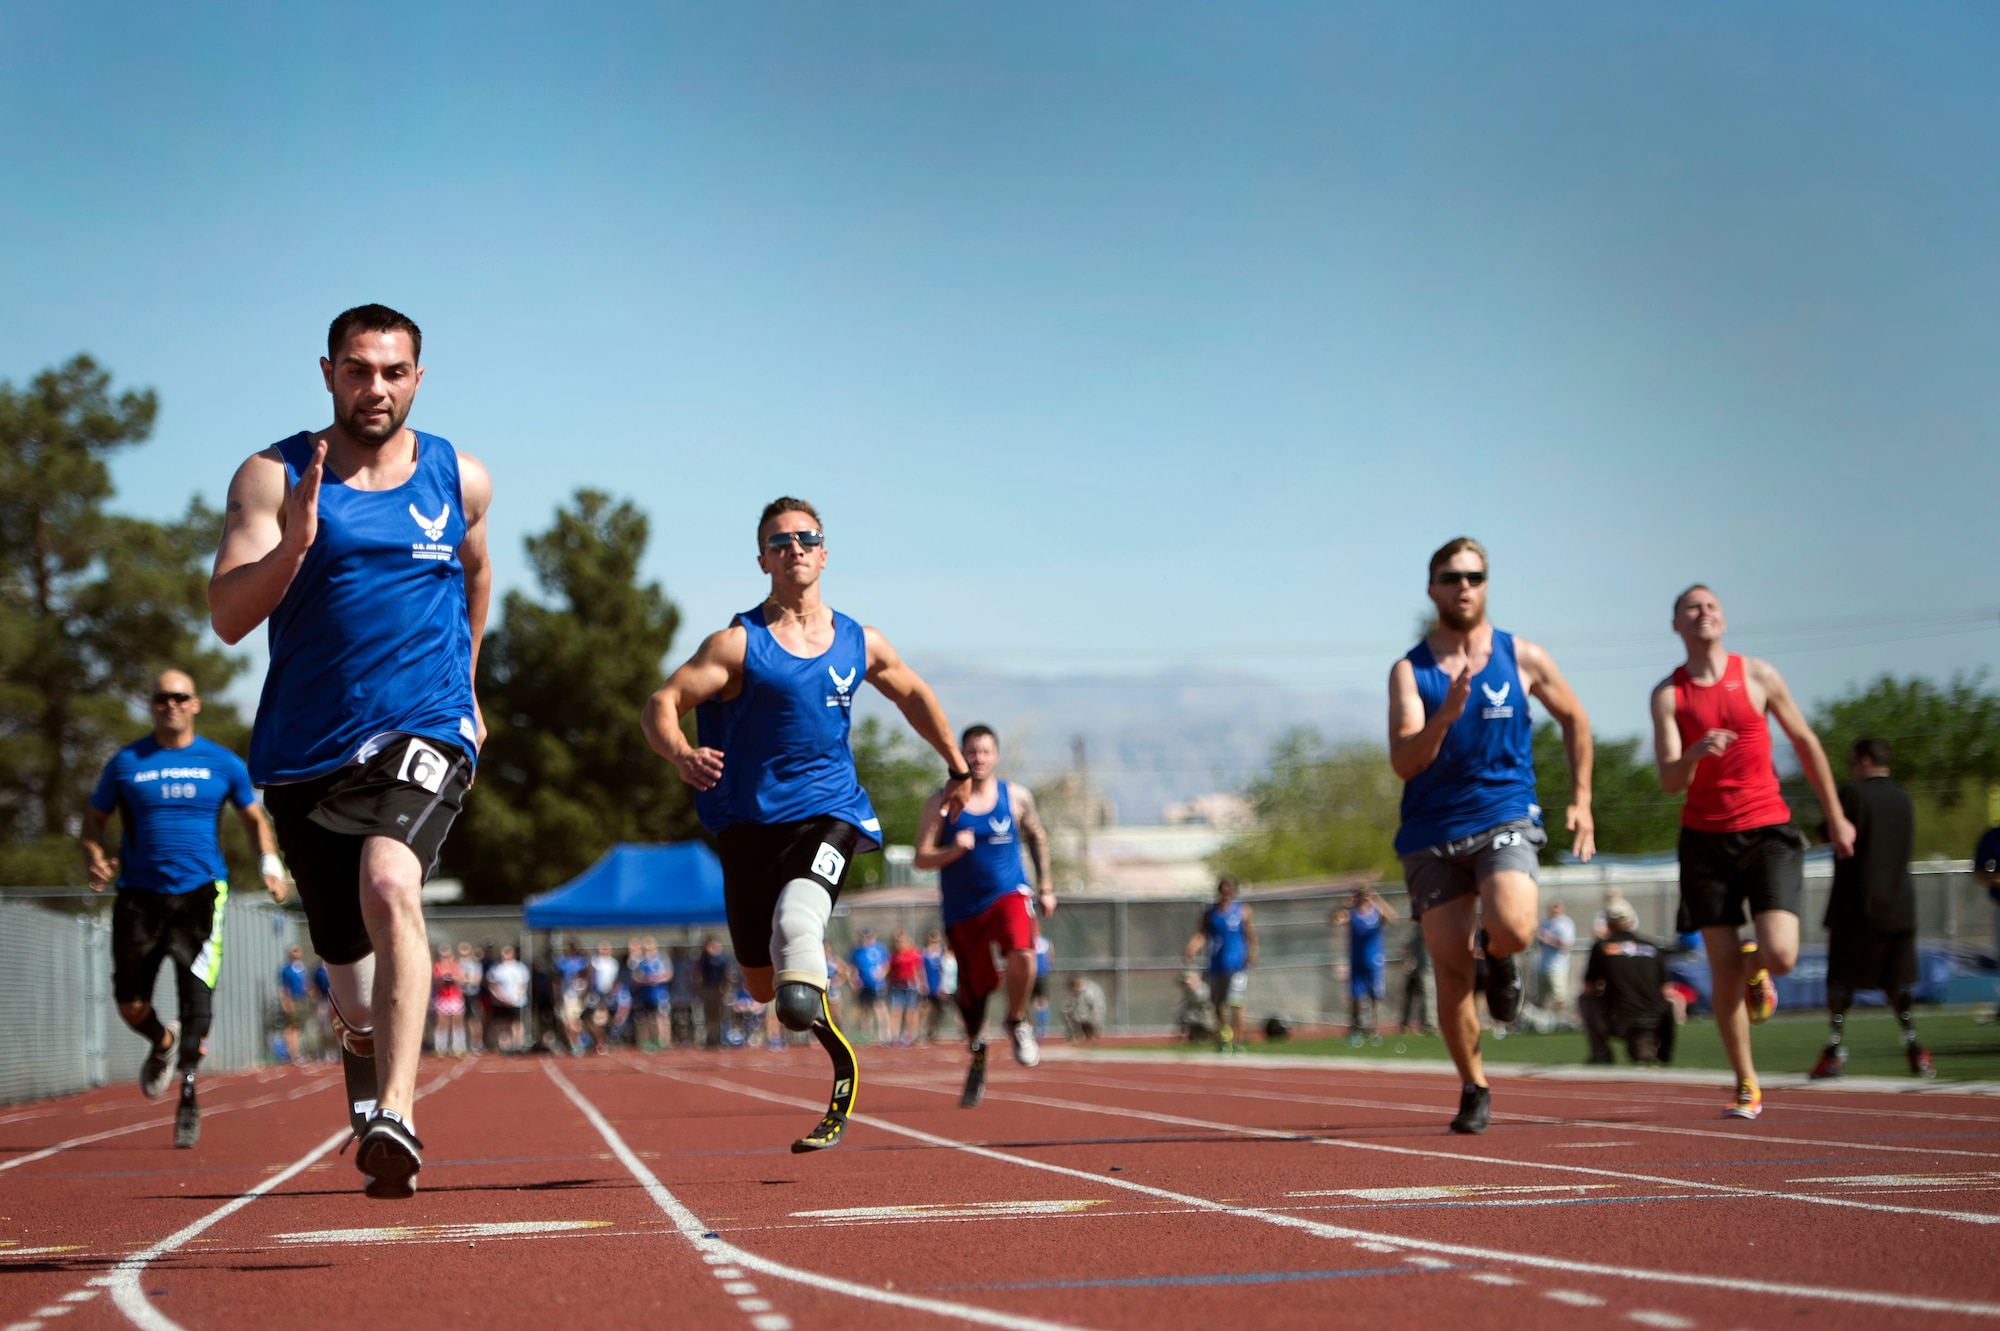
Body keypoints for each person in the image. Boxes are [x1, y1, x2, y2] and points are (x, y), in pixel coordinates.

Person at [210, 304, 490, 1197]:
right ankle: (365, 1050)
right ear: (328, 372)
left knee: (391, 882)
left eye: (395, 371)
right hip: (304, 751)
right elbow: (226, 617)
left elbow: (475, 572)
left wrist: (470, 689)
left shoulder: (460, 477)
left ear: (419, 377)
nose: (377, 388)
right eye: (359, 370)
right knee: (352, 980)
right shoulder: (273, 474)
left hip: (424, 726)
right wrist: (294, 542)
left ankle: (398, 1113)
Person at [642, 496, 971, 1151]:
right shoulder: (739, 643)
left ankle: (837, 1051)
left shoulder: (860, 639)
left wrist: (957, 766)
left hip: (832, 814)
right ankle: (801, 983)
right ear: (762, 558)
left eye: (806, 537)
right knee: (763, 987)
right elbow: (663, 701)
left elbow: (911, 692)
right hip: (748, 827)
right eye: (779, 540)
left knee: (799, 924)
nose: (794, 547)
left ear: (824, 552)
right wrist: (679, 751)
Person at [1391, 537, 1594, 1134]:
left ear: (1485, 585)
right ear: (1432, 589)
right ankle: (1474, 1086)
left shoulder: (1521, 656)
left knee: (1514, 925)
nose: (1464, 586)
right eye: (1451, 577)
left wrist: (1581, 799)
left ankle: (1501, 955)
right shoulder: (1411, 671)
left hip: (1504, 813)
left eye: (1475, 576)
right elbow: (1404, 761)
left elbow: (1576, 719)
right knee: (1451, 975)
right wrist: (1445, 716)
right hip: (1431, 832)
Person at [1651, 583, 1853, 1120]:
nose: (1704, 614)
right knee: (1721, 969)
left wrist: (1835, 816)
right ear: (1676, 625)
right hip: (1704, 840)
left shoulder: (1758, 675)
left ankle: (1758, 967)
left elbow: (1805, 743)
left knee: (1782, 954)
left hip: (1767, 831)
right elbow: (1670, 780)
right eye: (1692, 608)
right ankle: (1746, 1082)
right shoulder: (1669, 695)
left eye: (1711, 606)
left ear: (1723, 618)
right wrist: (1695, 750)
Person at [80, 668, 289, 1150]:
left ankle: (189, 1094)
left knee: (198, 1001)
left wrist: (270, 864)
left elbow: (254, 818)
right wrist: (94, 857)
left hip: (200, 895)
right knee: (130, 1005)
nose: (170, 705)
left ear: (195, 704)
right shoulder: (126, 763)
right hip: (137, 895)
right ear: (150, 705)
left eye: (179, 697)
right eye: (160, 698)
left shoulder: (221, 762)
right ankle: (162, 1042)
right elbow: (93, 821)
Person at [913, 723, 1056, 1105]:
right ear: (960, 755)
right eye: (971, 752)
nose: (978, 759)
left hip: (1007, 894)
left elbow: (1037, 835)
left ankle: (1017, 1020)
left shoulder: (1015, 796)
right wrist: (952, 851)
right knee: (975, 991)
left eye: (984, 751)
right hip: (963, 909)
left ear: (995, 755)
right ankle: (977, 1045)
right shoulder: (941, 802)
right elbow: (920, 857)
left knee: (1023, 950)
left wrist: (1045, 887)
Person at [1810, 740, 1933, 1080]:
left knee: (1841, 983)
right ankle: (1915, 1050)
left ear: (1864, 761)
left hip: (1856, 905)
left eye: (1852, 762)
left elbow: (1827, 835)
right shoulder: (1903, 798)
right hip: (1899, 906)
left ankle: (1834, 1051)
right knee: (1898, 982)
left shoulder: (1854, 795)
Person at [1581, 898, 1676, 1065]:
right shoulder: (1654, 947)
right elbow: (1666, 991)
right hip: (1654, 1019)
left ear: (1608, 923)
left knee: (1584, 999)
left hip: (1618, 1019)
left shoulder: (1602, 947)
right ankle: (1654, 1048)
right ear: (1632, 921)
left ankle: (1601, 1053)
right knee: (1666, 1003)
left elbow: (1588, 988)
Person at [1185, 878, 1257, 1052]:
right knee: (1217, 1002)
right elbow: (1201, 934)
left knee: (1236, 1002)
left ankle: (1238, 1040)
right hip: (1216, 964)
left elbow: (1250, 934)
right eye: (1222, 892)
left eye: (1229, 892)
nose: (1225, 895)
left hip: (1237, 964)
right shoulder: (1211, 913)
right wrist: (1192, 948)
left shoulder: (1242, 911)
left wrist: (1252, 952)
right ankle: (1225, 1035)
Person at [1331, 886, 1397, 1045]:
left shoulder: (1376, 913)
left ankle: (1374, 1029)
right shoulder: (1352, 914)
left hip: (1374, 962)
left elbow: (1392, 917)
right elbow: (1333, 920)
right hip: (1356, 961)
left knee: (1375, 997)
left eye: (1368, 895)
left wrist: (1378, 899)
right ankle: (1355, 1029)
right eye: (1363, 895)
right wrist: (1344, 905)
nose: (1366, 898)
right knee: (1355, 997)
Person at [1535, 901, 1577, 1021]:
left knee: (1559, 996)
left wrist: (1549, 939)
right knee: (1542, 996)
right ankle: (1543, 1021)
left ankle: (1559, 1020)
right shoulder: (1545, 923)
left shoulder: (1566, 924)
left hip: (1558, 966)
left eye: (1557, 907)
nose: (1554, 910)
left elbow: (1566, 945)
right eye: (1552, 907)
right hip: (1543, 965)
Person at [484, 945, 528, 1052]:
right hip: (500, 1002)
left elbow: (523, 985)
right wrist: (500, 998)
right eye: (504, 952)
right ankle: (504, 1045)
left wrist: (514, 998)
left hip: (517, 1001)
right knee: (502, 1023)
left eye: (508, 952)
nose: (506, 955)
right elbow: (491, 985)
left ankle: (517, 1045)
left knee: (516, 1023)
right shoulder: (496, 968)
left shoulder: (520, 968)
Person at [884, 930, 925, 1046]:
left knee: (910, 1012)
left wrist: (921, 984)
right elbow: (888, 970)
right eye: (897, 941)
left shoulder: (913, 953)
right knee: (896, 1010)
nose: (899, 943)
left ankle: (909, 1035)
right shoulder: (893, 955)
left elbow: (918, 969)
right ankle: (894, 1036)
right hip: (896, 986)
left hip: (910, 986)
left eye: (901, 941)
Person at [847, 928, 888, 1044]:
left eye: (869, 936)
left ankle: (884, 1034)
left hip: (876, 985)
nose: (866, 939)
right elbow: (852, 967)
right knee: (864, 1011)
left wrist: (881, 974)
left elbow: (886, 964)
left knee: (879, 1008)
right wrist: (853, 980)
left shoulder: (880, 948)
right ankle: (865, 1035)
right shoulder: (856, 951)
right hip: (863, 985)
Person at [631, 938, 670, 1052]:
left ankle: (662, 1041)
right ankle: (647, 1041)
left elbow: (668, 974)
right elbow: (636, 977)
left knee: (660, 1017)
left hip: (659, 994)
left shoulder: (661, 959)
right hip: (645, 994)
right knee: (645, 1018)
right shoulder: (641, 961)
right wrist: (646, 979)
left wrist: (657, 978)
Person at [1397, 924, 1436, 1036]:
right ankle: (1405, 1023)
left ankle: (1428, 1024)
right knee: (1409, 995)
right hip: (1415, 968)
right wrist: (1408, 960)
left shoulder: (1433, 928)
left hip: (1426, 967)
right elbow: (1407, 946)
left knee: (1427, 996)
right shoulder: (1418, 929)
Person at [430, 944, 466, 1057]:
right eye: (443, 956)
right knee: (442, 1022)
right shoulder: (437, 966)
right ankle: (440, 1047)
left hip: (455, 997)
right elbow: (436, 982)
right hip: (442, 997)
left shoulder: (456, 966)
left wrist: (453, 977)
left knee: (457, 1021)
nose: (445, 958)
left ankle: (458, 1047)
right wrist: (442, 978)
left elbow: (461, 981)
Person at [696, 937, 732, 1048]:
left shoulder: (723, 958)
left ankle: (722, 1038)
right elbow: (699, 974)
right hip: (708, 989)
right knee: (709, 1015)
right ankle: (711, 1038)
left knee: (721, 1015)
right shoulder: (704, 959)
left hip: (719, 989)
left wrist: (727, 989)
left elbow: (728, 974)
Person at [278, 945, 310, 1064]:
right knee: (291, 1027)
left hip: (301, 999)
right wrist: (285, 1002)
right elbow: (283, 988)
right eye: (294, 951)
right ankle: (292, 1053)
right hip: (292, 999)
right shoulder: (286, 970)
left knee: (297, 1026)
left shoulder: (301, 968)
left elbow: (304, 984)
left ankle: (295, 1052)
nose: (297, 954)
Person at [919, 929, 951, 1043]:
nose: (934, 941)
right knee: (925, 1009)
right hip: (928, 985)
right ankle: (922, 1032)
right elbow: (921, 970)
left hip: (940, 986)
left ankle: (932, 1031)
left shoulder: (943, 952)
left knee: (939, 1010)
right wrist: (922, 984)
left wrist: (944, 985)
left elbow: (946, 970)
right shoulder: (924, 953)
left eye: (936, 939)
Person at [456, 941, 485, 1054]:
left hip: (473, 994)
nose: (464, 952)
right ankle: (461, 1044)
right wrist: (464, 979)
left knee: (475, 1019)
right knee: (460, 1019)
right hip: (460, 995)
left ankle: (476, 1043)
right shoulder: (457, 964)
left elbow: (476, 979)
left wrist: (466, 979)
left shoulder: (475, 964)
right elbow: (457, 980)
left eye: (466, 949)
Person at [1064, 976, 1106, 1043]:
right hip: (1085, 1012)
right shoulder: (1076, 993)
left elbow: (1093, 1006)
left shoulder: (1088, 992)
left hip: (1094, 1011)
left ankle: (1091, 1034)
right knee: (1075, 1017)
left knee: (1085, 1018)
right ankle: (1079, 1035)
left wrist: (1088, 1015)